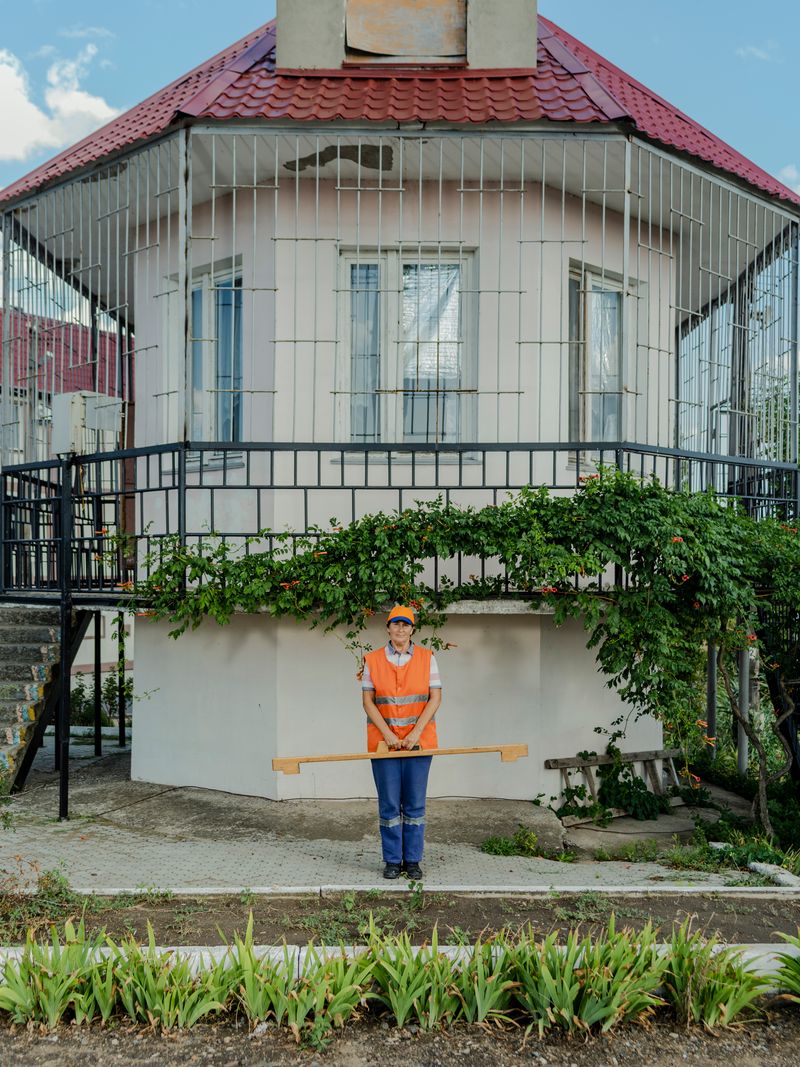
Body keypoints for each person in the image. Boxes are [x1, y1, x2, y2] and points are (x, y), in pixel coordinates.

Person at [361, 605, 442, 880]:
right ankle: (393, 860)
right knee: (389, 805)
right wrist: (389, 735)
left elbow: (435, 698)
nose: (400, 629)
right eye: (395, 624)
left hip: (419, 744)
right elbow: (368, 702)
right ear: (388, 628)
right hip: (384, 745)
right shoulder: (372, 660)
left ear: (412, 629)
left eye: (406, 625)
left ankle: (413, 860)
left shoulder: (427, 658)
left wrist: (415, 733)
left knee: (416, 804)